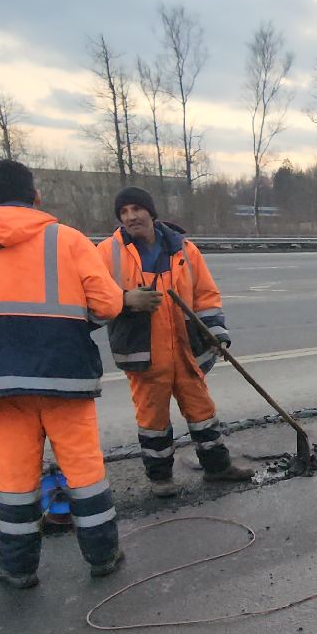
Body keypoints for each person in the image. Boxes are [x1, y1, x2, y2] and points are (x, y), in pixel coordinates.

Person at [0, 161, 159, 589]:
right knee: (83, 471)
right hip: (63, 375)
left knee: (14, 480)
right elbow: (105, 303)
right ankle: (103, 556)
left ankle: (17, 568)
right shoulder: (65, 239)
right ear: (36, 196)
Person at [97, 186, 254, 496]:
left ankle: (217, 467)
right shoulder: (106, 253)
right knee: (152, 418)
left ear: (151, 212)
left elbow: (205, 296)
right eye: (124, 212)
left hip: (186, 349)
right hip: (144, 352)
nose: (130, 217)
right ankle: (160, 478)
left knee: (202, 411)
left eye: (136, 209)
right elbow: (94, 300)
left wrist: (216, 334)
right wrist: (125, 300)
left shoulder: (184, 249)